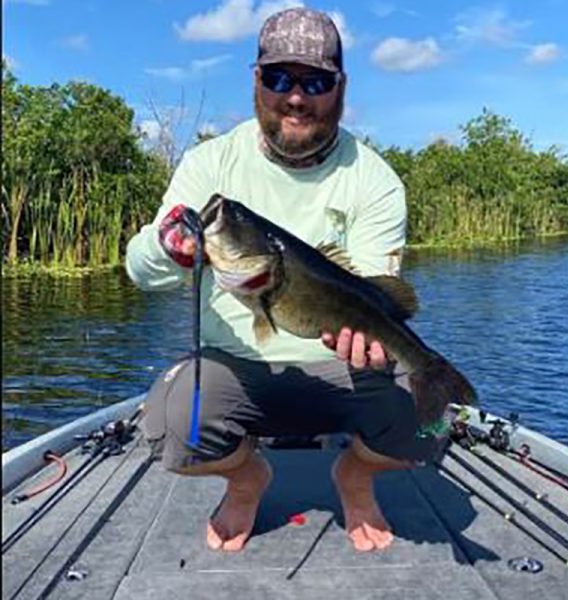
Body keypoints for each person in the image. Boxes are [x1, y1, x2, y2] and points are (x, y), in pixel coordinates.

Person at [126, 7, 448, 553]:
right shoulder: (210, 165)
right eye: (279, 78)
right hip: (234, 369)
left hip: (345, 369)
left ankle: (356, 475)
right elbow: (139, 270)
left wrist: (370, 347)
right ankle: (247, 478)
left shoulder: (375, 180)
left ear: (340, 88)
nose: (295, 97)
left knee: (434, 428)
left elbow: (378, 298)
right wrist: (170, 250)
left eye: (316, 81)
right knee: (170, 429)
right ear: (257, 81)